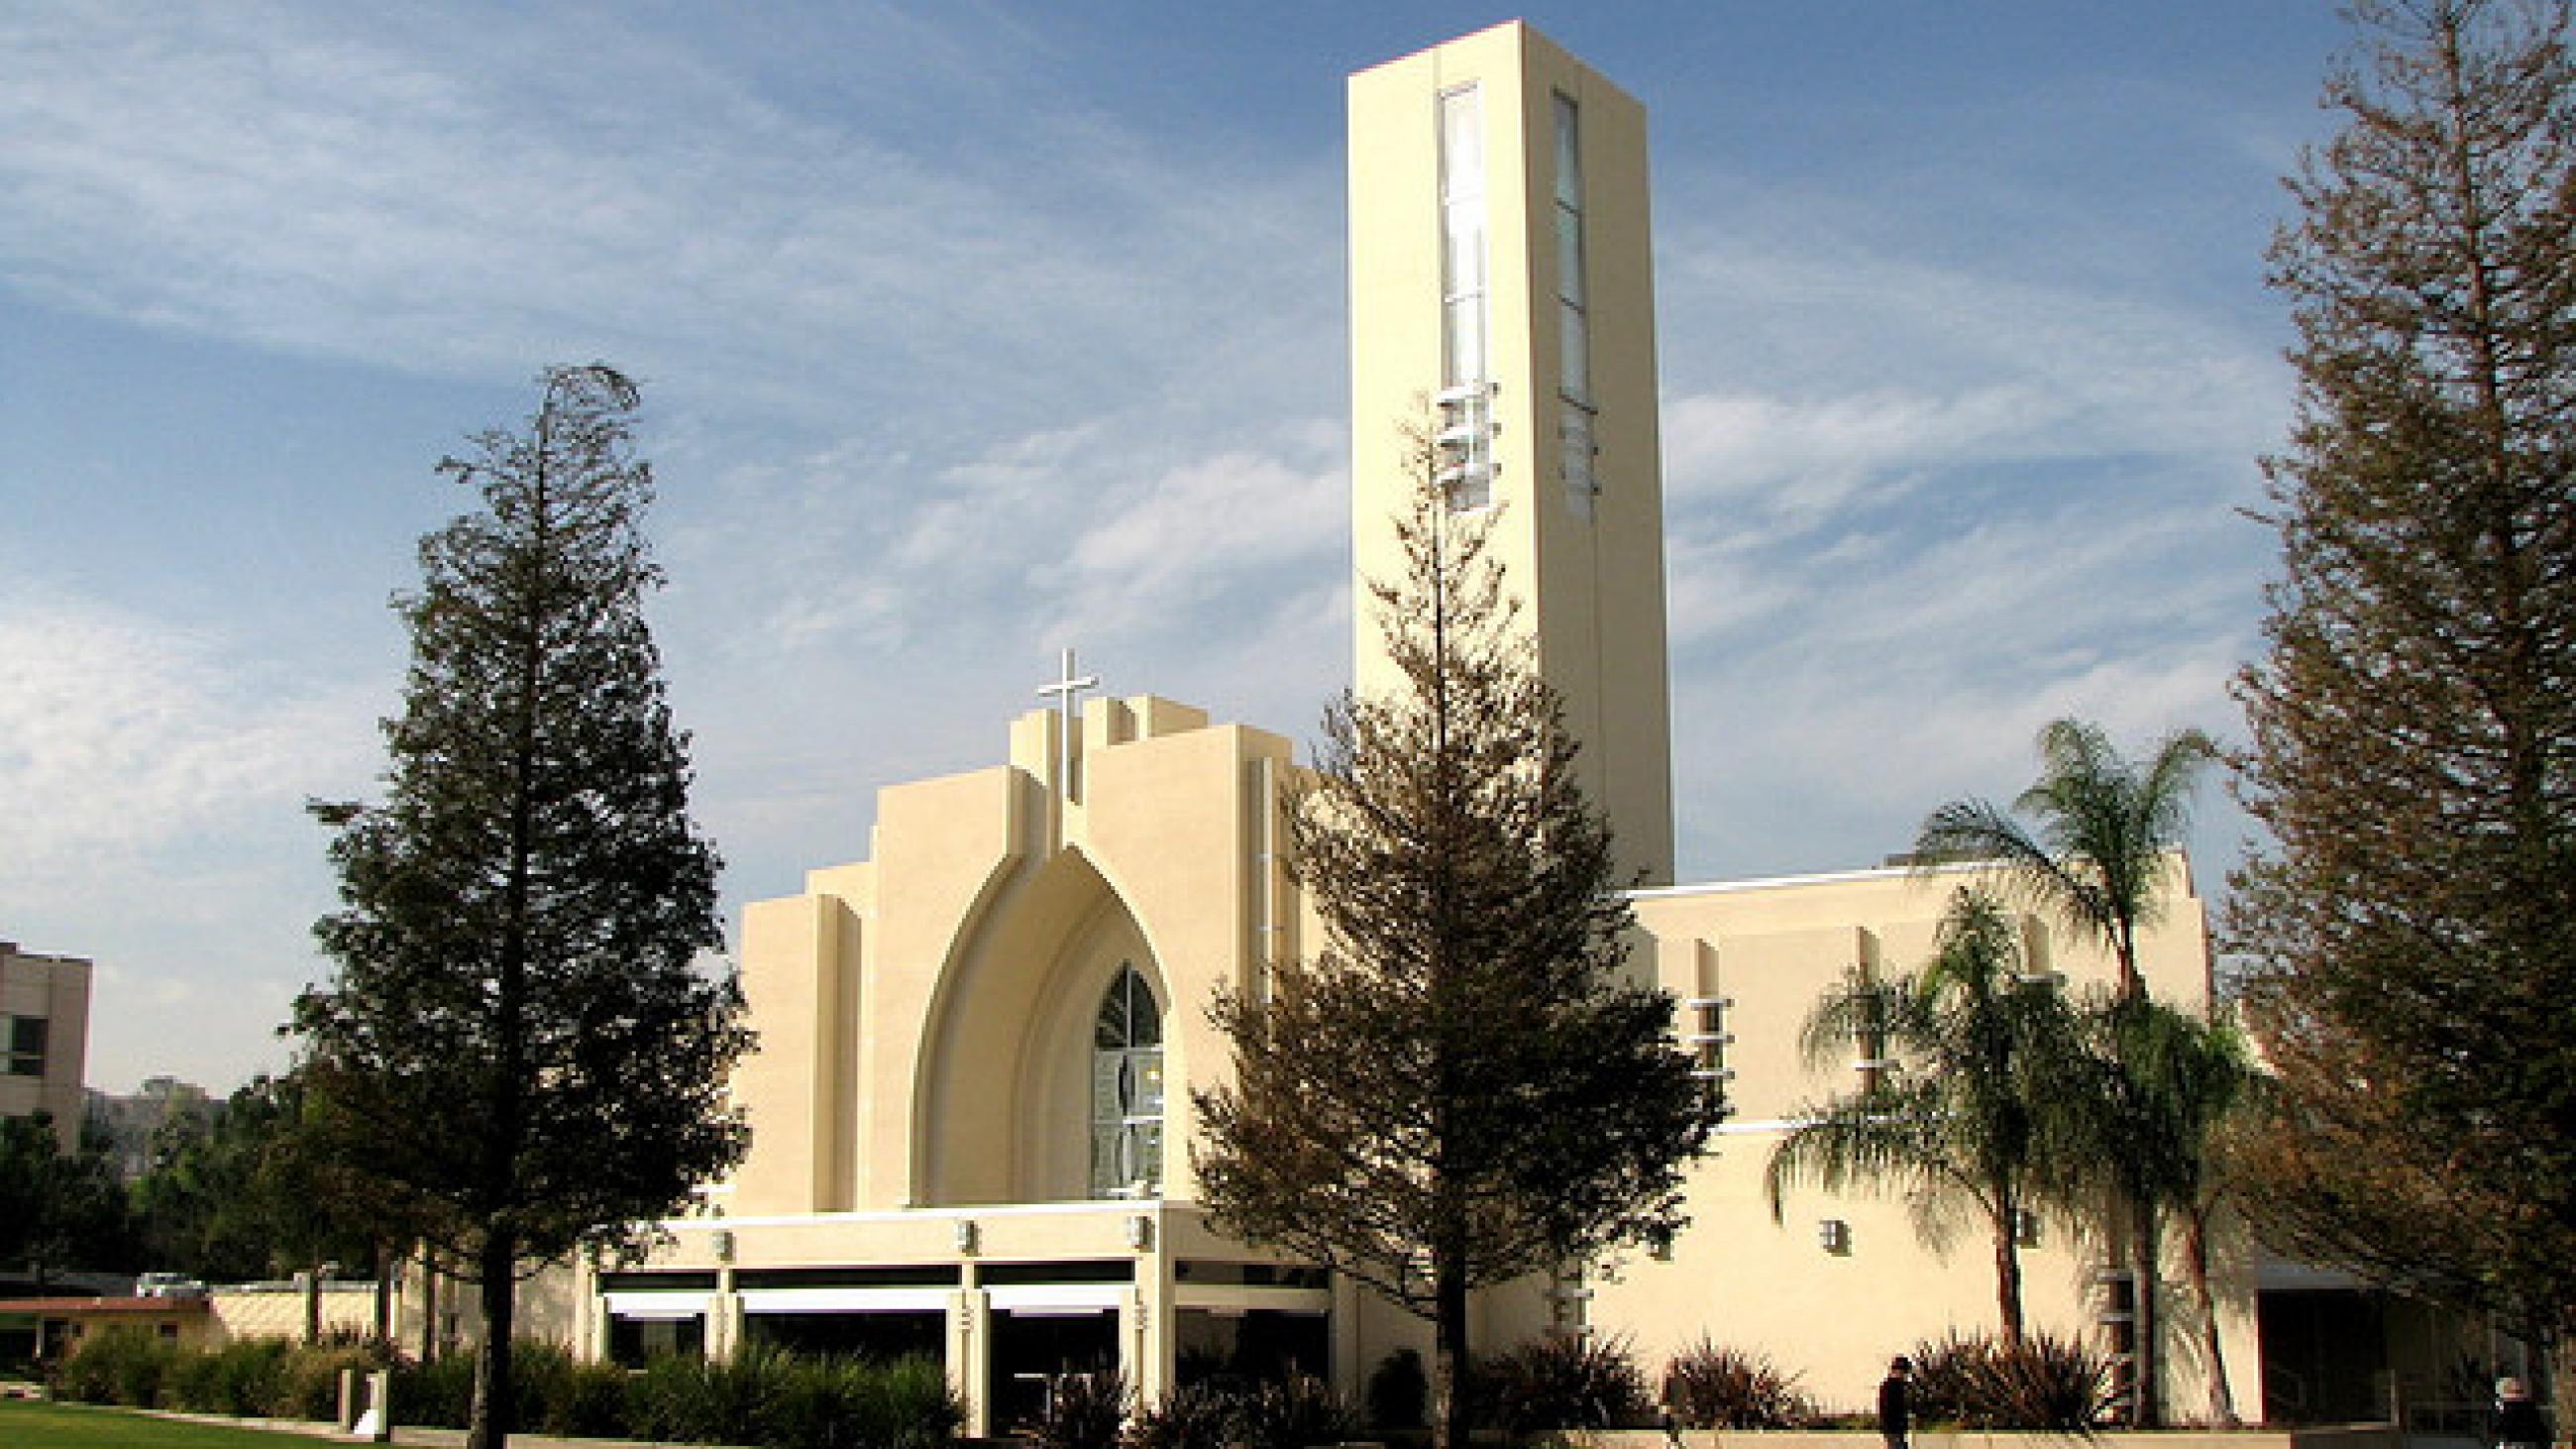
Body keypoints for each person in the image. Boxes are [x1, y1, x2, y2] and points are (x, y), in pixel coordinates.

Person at [2495, 1377, 2546, 1449]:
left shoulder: (2528, 1408)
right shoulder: (2502, 1409)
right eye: (2514, 1392)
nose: (2518, 1395)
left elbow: (2539, 1431)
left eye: (2520, 1392)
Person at [1878, 1356, 1913, 1449]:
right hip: (1893, 1431)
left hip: (1897, 1431)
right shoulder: (1891, 1386)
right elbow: (1888, 1410)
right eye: (1905, 1372)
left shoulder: (1898, 1386)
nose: (1906, 1375)